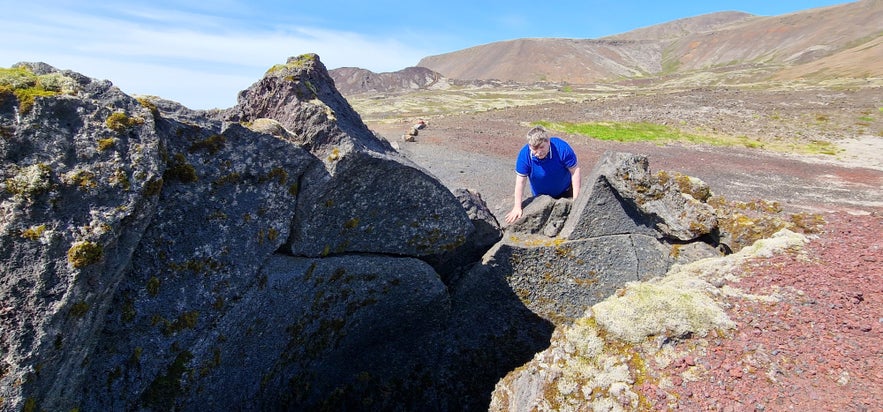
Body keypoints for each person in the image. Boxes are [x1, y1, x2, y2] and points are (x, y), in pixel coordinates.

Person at [505, 126, 581, 224]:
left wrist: (576, 200)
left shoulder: (561, 148)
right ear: (529, 147)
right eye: (535, 149)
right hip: (541, 197)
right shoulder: (524, 156)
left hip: (566, 190)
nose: (539, 152)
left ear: (548, 142)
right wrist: (517, 207)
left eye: (541, 147)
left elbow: (575, 171)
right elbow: (520, 182)